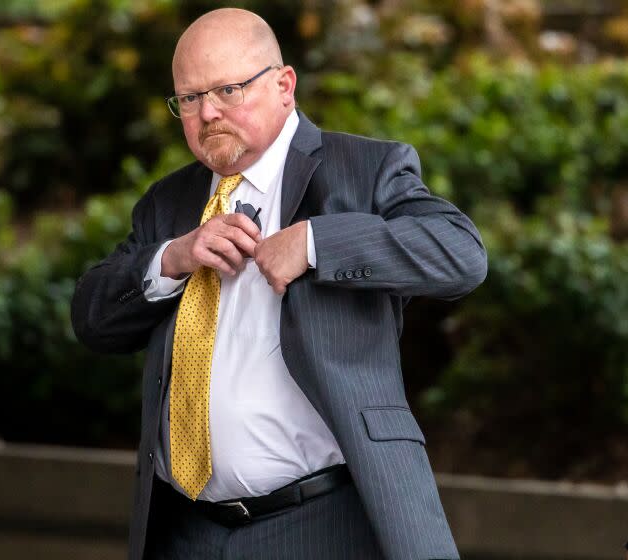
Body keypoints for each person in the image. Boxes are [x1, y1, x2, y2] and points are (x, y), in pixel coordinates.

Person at [71, 7, 487, 560]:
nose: (207, 113)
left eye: (227, 89)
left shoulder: (363, 170)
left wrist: (316, 243)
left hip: (320, 523)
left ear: (284, 85)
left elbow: (460, 253)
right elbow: (92, 320)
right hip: (184, 530)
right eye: (188, 99)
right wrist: (171, 258)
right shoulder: (168, 202)